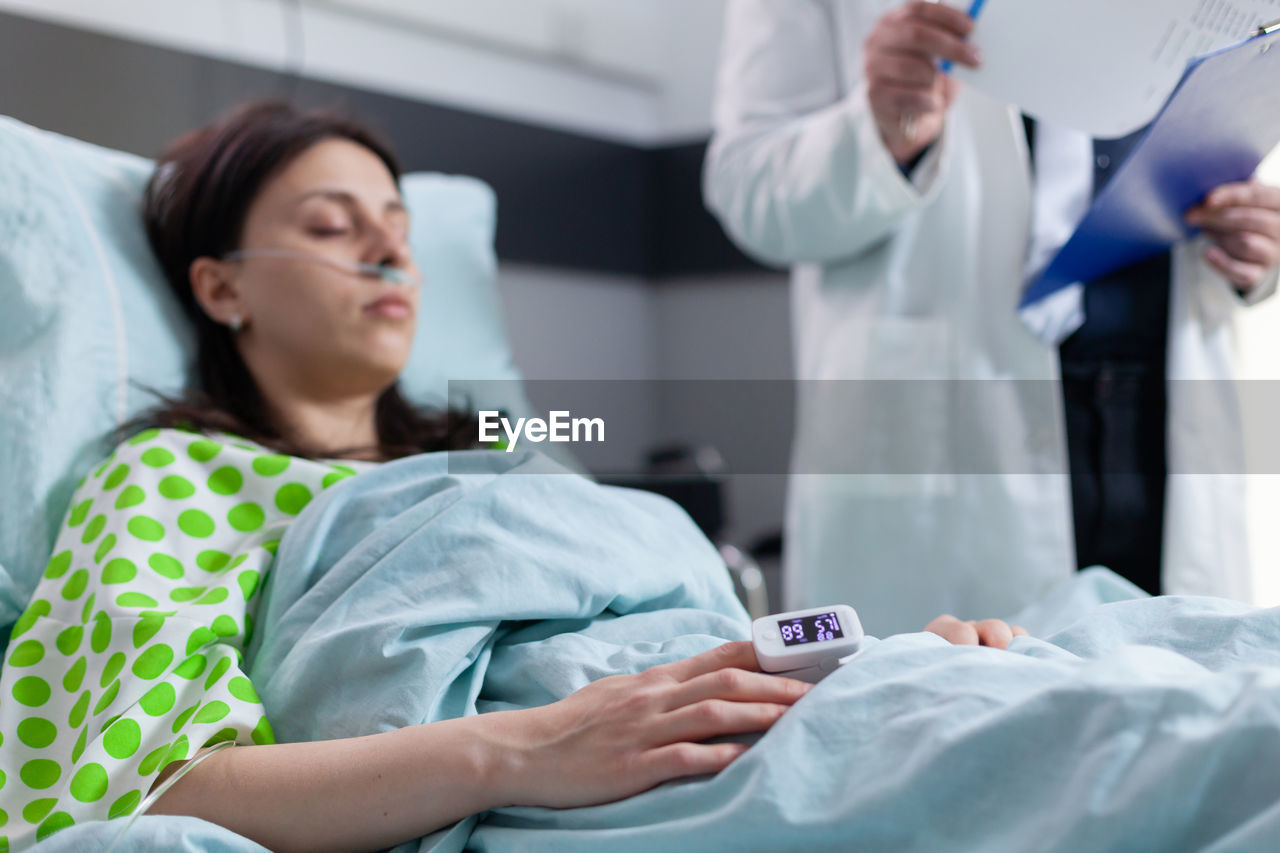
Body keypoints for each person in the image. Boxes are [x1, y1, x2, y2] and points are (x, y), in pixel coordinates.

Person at [0, 100, 1024, 852]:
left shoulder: (497, 444)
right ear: (221, 287)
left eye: (398, 225)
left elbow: (665, 634)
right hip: (605, 779)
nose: (388, 253)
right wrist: (529, 749)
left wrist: (864, 658)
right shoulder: (175, 475)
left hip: (739, 715)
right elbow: (137, 789)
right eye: (329, 225)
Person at [703, 0, 1280, 636]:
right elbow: (748, 191)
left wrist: (1259, 245)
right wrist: (878, 131)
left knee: (1184, 700)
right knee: (949, 715)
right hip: (953, 445)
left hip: (1159, 435)